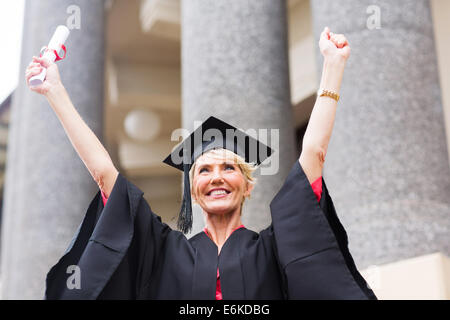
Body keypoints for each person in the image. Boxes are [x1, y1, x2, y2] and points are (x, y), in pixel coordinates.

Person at [26, 26, 376, 300]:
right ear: (193, 188)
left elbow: (313, 153)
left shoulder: (274, 250)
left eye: (229, 168)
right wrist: (54, 91)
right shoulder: (164, 252)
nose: (216, 177)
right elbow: (105, 174)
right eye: (204, 170)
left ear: (248, 184)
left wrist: (333, 66)